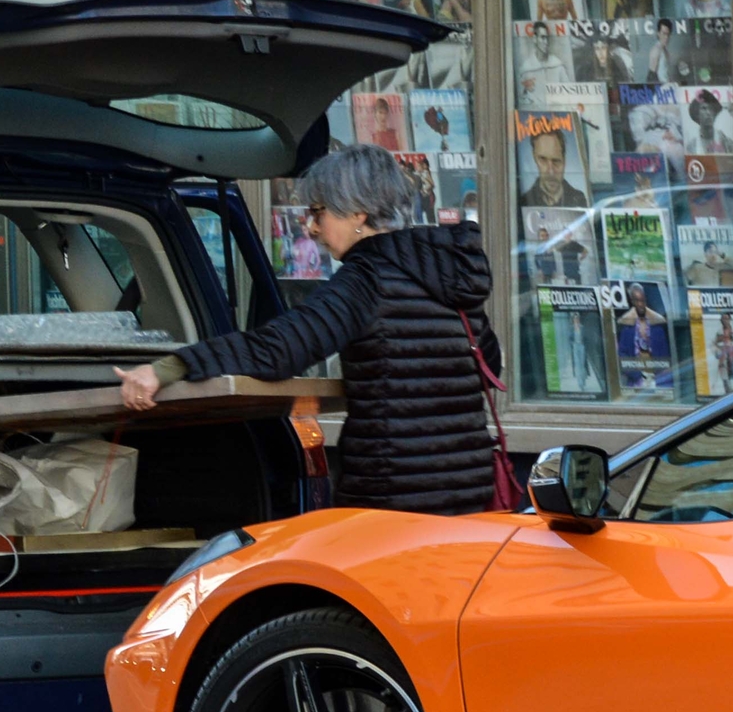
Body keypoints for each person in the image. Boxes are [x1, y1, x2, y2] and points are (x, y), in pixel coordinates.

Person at [112, 146, 501, 515]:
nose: (312, 228)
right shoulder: (449, 272)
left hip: (393, 497)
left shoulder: (366, 278)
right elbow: (489, 364)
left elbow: (278, 349)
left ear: (358, 214)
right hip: (470, 492)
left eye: (319, 212)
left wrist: (168, 368)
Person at [523, 128, 589, 210]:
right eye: (543, 160)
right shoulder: (524, 201)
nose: (550, 171)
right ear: (534, 158)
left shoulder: (579, 200)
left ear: (564, 161)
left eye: (556, 161)